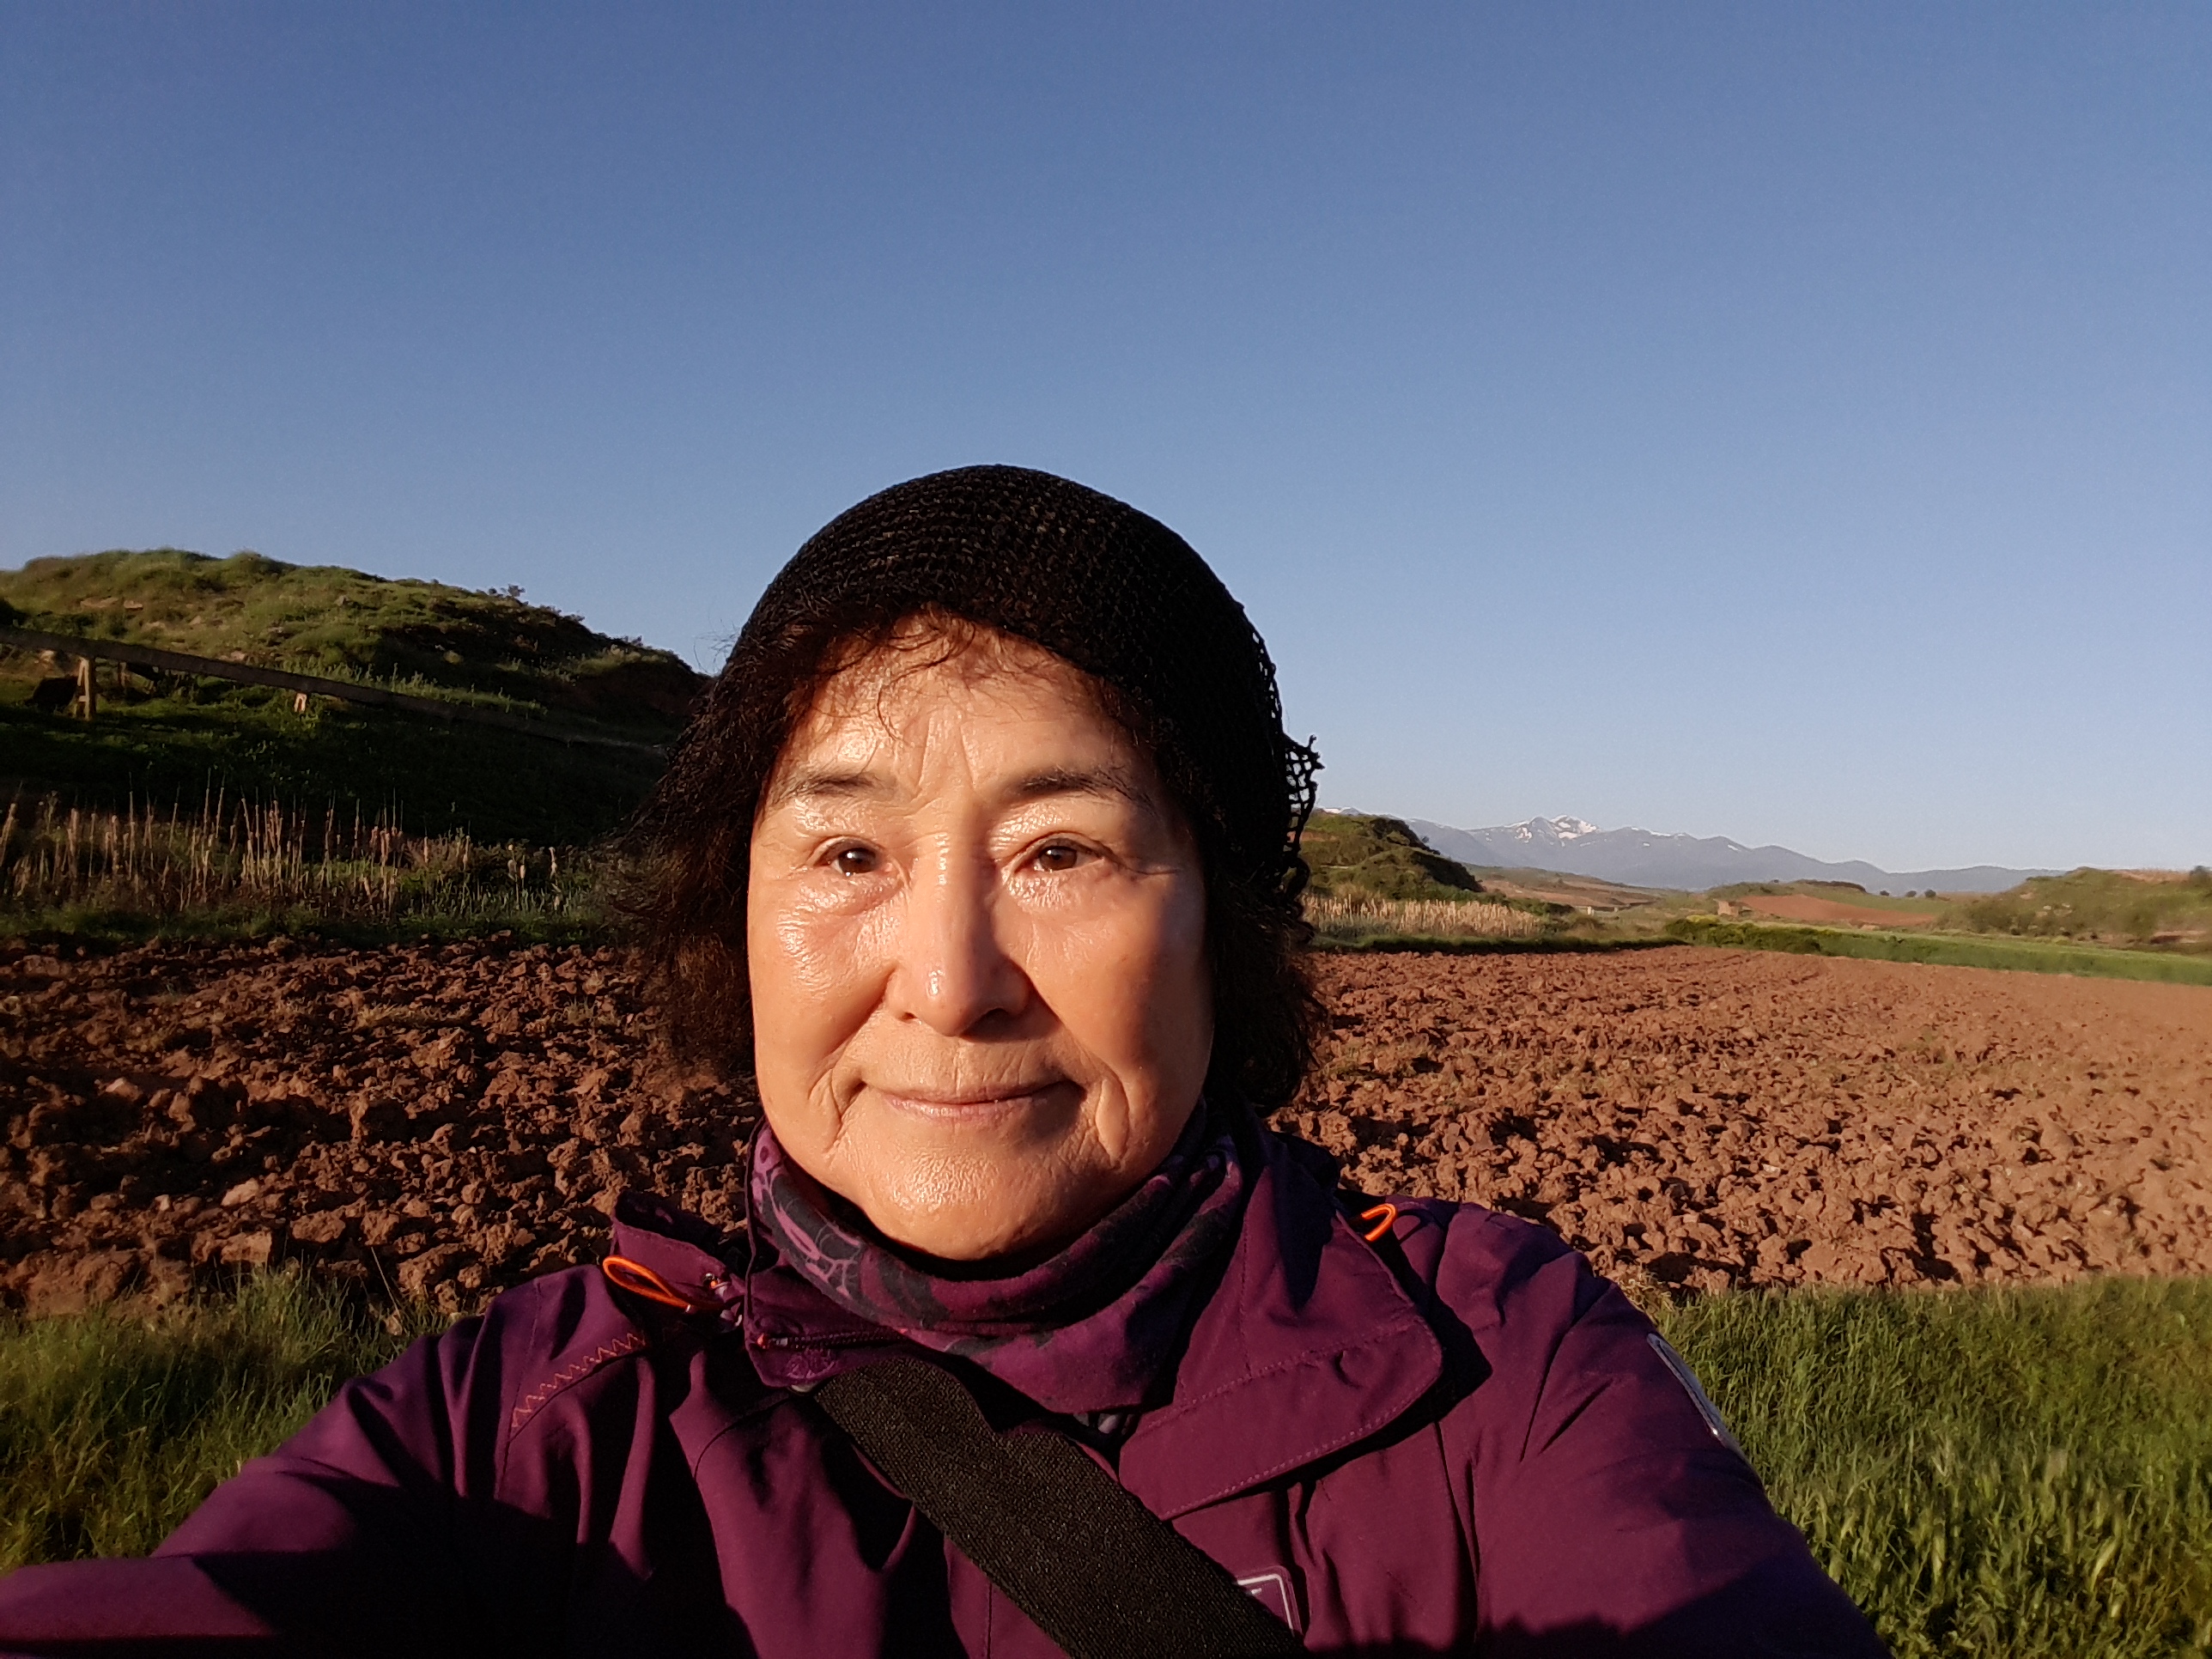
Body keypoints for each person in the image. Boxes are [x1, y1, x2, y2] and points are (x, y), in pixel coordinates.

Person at [0, 467, 1885, 1656]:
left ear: (1221, 923)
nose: (952, 981)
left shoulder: (1498, 1364)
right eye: (845, 855)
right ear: (731, 923)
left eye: (1059, 852)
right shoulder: (533, 1434)